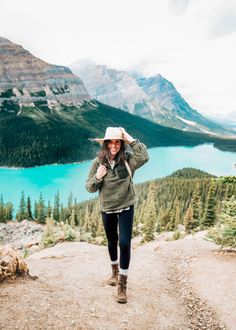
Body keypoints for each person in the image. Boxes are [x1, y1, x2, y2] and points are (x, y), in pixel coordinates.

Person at [86, 127, 149, 303]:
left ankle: (122, 284)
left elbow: (144, 156)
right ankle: (114, 273)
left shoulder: (128, 159)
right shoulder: (97, 163)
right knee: (112, 241)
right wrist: (98, 177)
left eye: (117, 142)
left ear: (121, 144)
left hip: (126, 205)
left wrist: (128, 137)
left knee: (125, 243)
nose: (114, 145)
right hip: (107, 207)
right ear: (105, 144)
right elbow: (89, 187)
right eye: (111, 142)